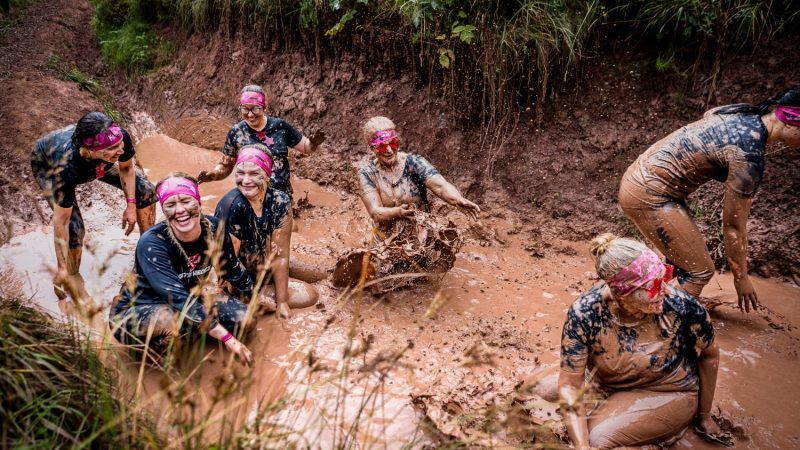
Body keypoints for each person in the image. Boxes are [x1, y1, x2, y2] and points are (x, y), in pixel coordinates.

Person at [619, 86, 800, 312]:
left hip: (642, 178)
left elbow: (710, 114)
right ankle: (661, 322)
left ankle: (634, 302)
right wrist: (741, 278)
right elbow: (733, 226)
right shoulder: (749, 155)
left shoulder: (741, 113)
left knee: (679, 262)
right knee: (700, 271)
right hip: (648, 194)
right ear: (792, 122)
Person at [555, 233, 726, 449]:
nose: (665, 289)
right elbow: (570, 385)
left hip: (667, 390)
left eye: (665, 276)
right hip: (604, 382)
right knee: (535, 391)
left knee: (599, 439)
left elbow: (710, 355)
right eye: (654, 286)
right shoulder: (585, 313)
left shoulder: (683, 307)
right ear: (622, 293)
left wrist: (705, 416)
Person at [110, 174, 258, 364]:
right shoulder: (152, 243)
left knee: (244, 319)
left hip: (187, 300)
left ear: (198, 203)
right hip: (135, 311)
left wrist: (255, 296)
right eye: (170, 204)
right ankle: (157, 362)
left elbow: (231, 269)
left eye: (186, 201)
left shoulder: (214, 228)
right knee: (174, 325)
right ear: (164, 210)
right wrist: (229, 339)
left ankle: (195, 332)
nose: (180, 210)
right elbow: (178, 298)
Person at [333, 116, 480, 291]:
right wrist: (398, 212)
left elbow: (440, 186)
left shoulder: (414, 163)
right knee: (376, 286)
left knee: (424, 278)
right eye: (382, 146)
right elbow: (375, 212)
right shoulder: (367, 173)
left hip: (420, 239)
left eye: (393, 143)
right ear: (372, 148)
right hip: (387, 242)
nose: (389, 150)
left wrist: (457, 199)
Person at [31, 112, 156, 309]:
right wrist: (62, 268)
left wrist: (131, 205)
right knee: (75, 229)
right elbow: (61, 221)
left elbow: (126, 169)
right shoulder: (65, 166)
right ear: (89, 149)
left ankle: (148, 251)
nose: (120, 150)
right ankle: (72, 275)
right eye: (112, 148)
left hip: (95, 159)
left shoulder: (118, 138)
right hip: (47, 163)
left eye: (120, 144)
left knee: (146, 191)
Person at [215, 144, 319, 319]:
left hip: (266, 261)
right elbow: (227, 266)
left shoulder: (280, 201)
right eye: (240, 173)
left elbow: (281, 256)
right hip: (241, 280)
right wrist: (255, 296)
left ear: (267, 175)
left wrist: (282, 302)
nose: (245, 180)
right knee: (309, 295)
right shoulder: (231, 205)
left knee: (318, 273)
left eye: (254, 174)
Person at [196, 84, 325, 197]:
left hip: (280, 195)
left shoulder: (280, 126)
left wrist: (313, 143)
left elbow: (306, 148)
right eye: (245, 109)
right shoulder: (236, 132)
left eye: (255, 108)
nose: (250, 114)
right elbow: (226, 166)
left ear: (264, 107)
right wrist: (213, 175)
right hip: (250, 196)